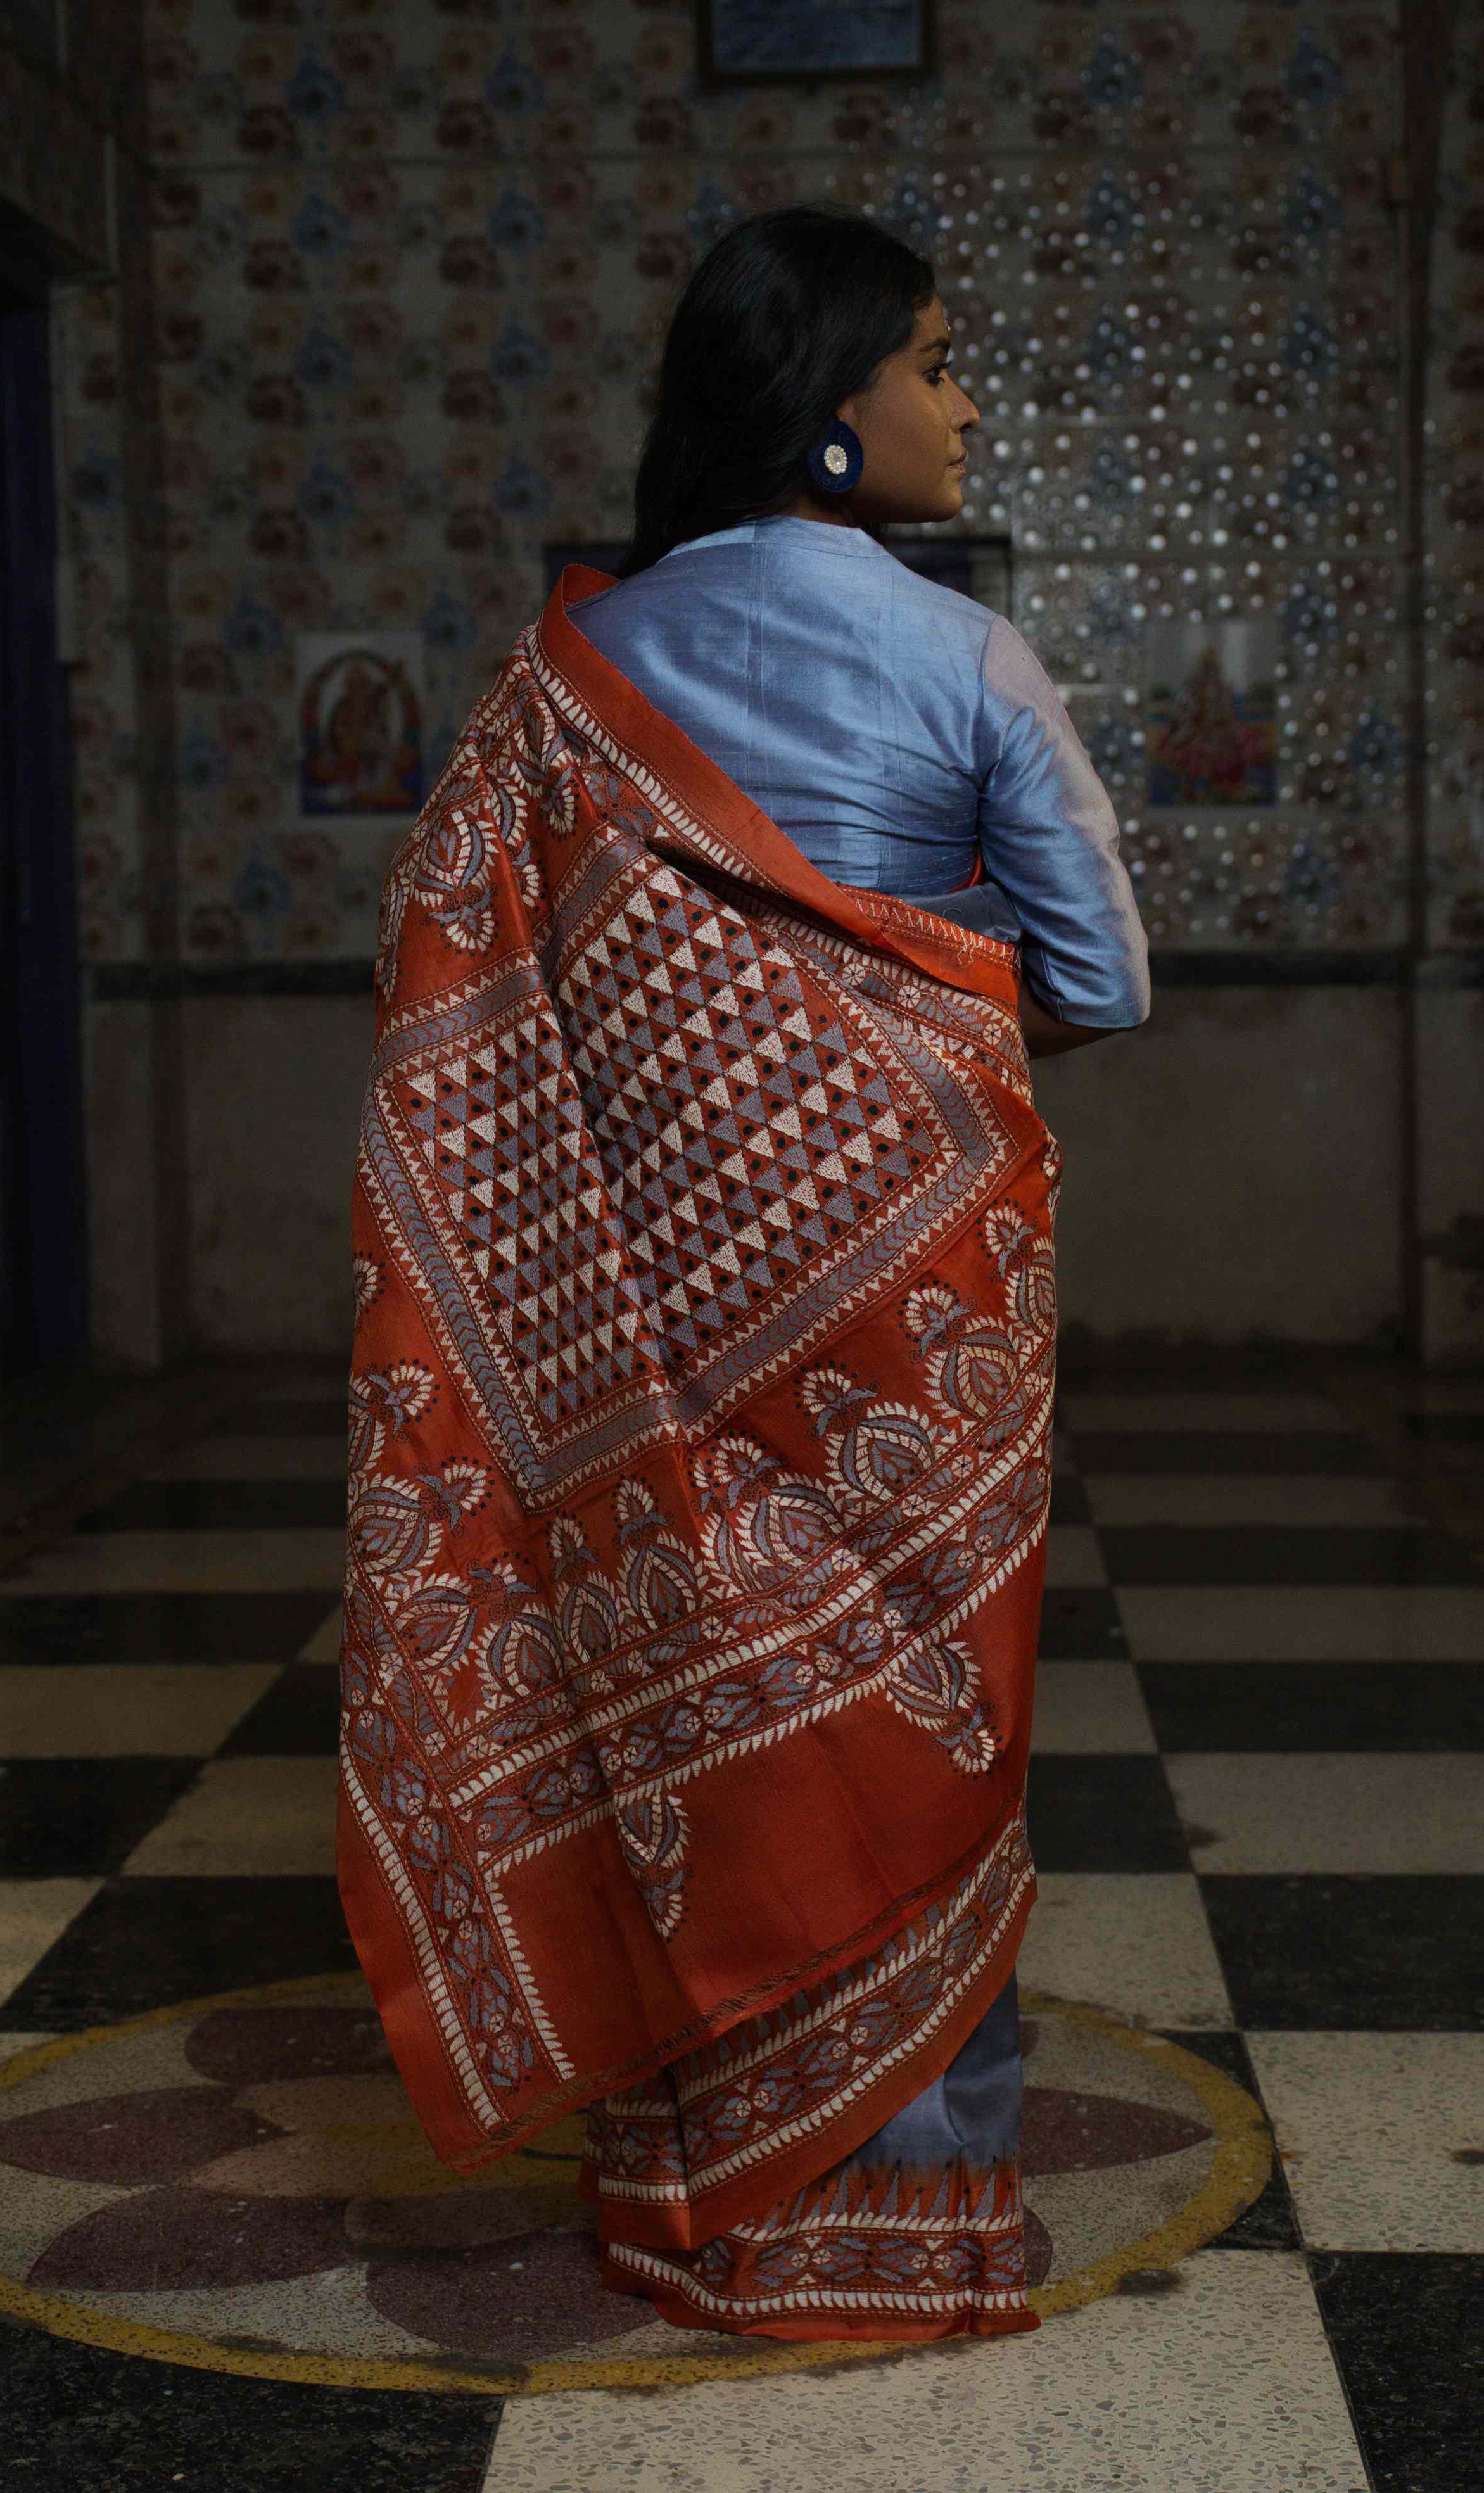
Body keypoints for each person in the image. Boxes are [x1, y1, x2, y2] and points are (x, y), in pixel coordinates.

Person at [338, 203, 1149, 2349]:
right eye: (940, 361)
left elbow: (479, 986)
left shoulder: (568, 677)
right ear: (830, 412)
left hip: (643, 1299)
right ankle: (917, 2205)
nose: (964, 403)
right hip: (913, 1300)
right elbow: (1101, 980)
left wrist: (735, 1062)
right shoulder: (962, 655)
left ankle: (697, 2195)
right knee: (921, 1703)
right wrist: (892, 1031)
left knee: (682, 1697)